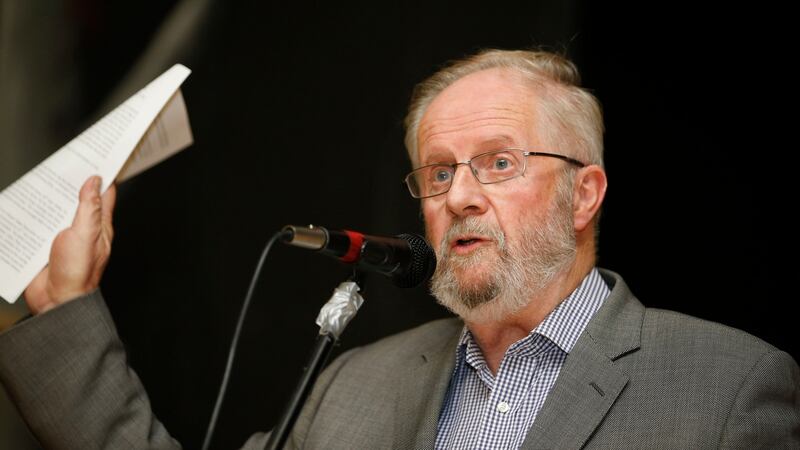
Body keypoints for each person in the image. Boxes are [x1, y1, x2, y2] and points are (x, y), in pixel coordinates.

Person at [1, 49, 798, 449]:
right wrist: (68, 308)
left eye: (498, 163)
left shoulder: (726, 385)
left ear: (584, 193)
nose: (459, 196)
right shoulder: (353, 386)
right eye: (439, 173)